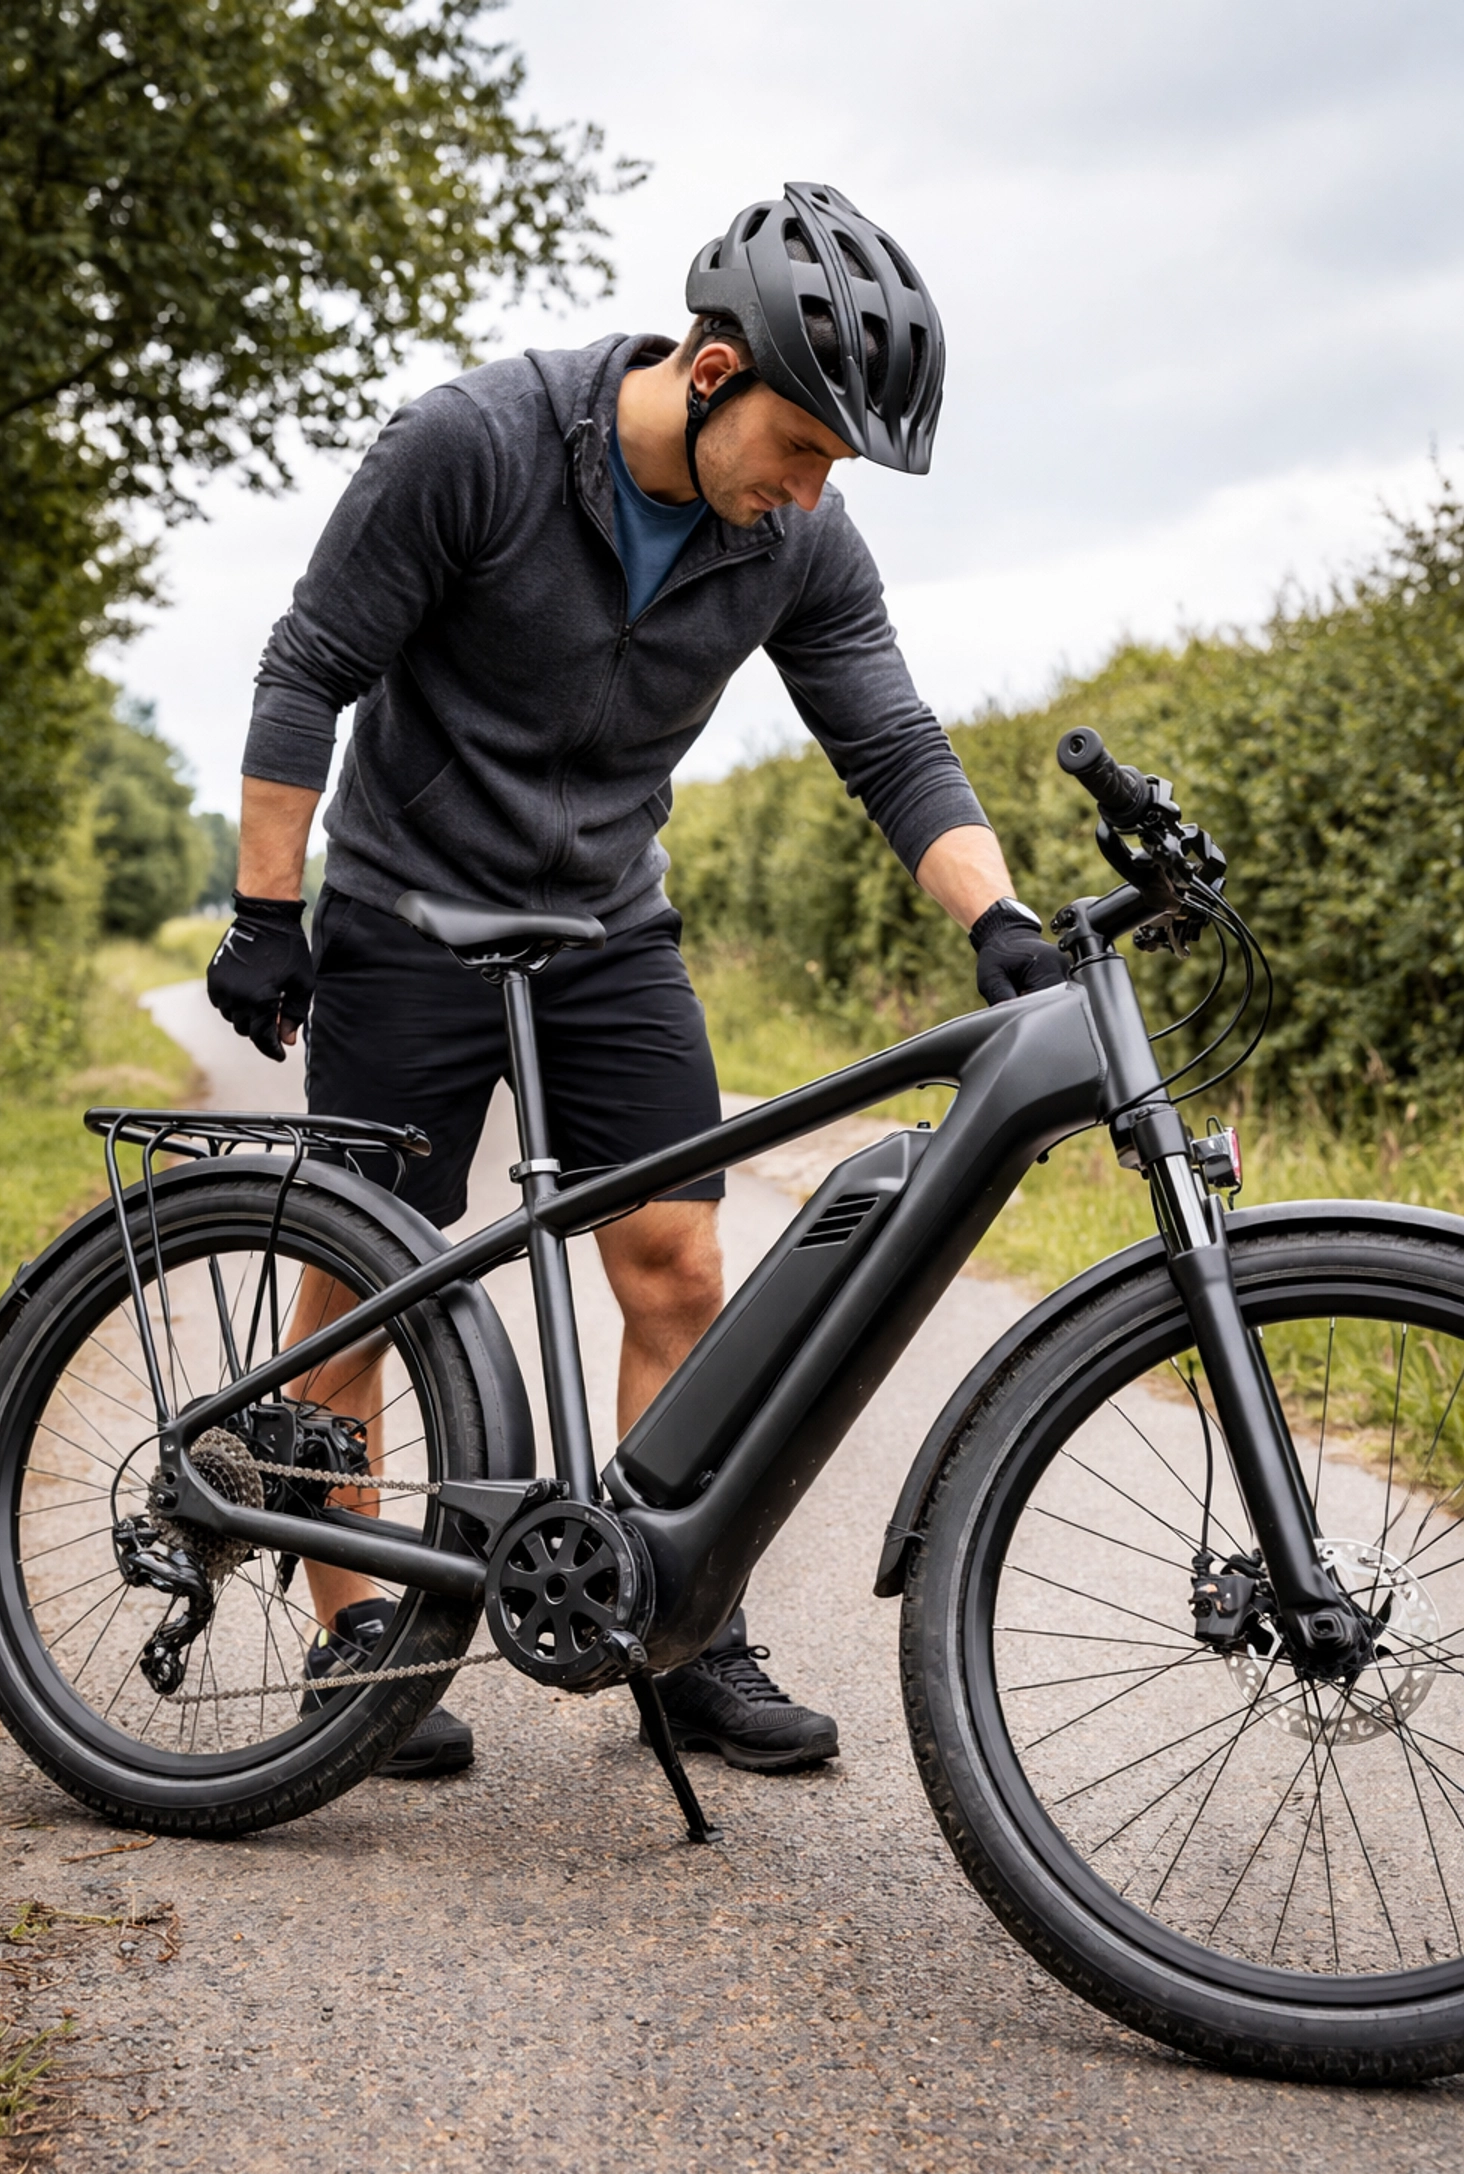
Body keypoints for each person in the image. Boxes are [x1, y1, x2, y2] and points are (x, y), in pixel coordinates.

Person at [208, 182, 1065, 1779]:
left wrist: (995, 918)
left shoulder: (797, 538)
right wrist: (270, 912)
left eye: (836, 473)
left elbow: (887, 738)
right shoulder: (473, 446)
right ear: (719, 372)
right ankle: (361, 1632)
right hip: (404, 906)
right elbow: (306, 666)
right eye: (806, 451)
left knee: (675, 1258)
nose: (814, 493)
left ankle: (676, 1627)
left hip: (605, 919)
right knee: (371, 1275)